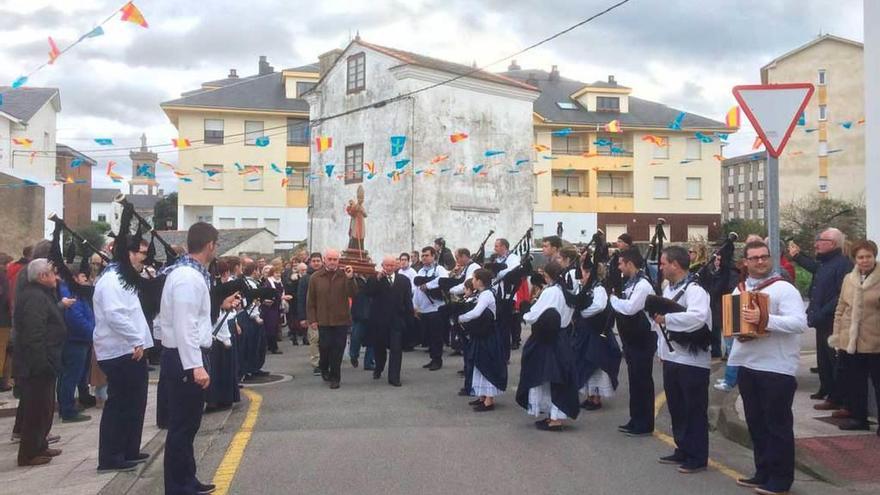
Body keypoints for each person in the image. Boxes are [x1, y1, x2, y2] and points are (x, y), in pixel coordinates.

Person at [159, 222, 236, 495]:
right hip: (185, 359)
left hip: (187, 356)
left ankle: (187, 479)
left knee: (190, 424)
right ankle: (178, 486)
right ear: (211, 245)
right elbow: (184, 325)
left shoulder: (190, 274)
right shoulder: (187, 278)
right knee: (182, 426)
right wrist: (196, 366)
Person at [728, 241, 807, 495]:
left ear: (770, 259)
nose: (760, 262)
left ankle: (781, 480)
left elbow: (799, 323)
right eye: (754, 258)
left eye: (764, 257)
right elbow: (736, 325)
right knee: (756, 424)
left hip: (777, 367)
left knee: (777, 426)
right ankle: (763, 472)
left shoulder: (784, 289)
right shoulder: (739, 289)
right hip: (748, 363)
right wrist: (737, 332)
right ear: (745, 263)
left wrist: (765, 319)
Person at [93, 240, 154, 472]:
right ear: (127, 254)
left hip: (130, 349)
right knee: (119, 404)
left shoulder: (123, 277)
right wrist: (135, 340)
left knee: (134, 403)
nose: (144, 259)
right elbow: (114, 315)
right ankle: (110, 457)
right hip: (120, 351)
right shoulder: (112, 280)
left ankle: (129, 448)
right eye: (141, 253)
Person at [653, 246, 712, 474]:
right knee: (677, 407)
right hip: (672, 357)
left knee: (693, 409)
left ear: (675, 265)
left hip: (692, 360)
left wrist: (668, 319)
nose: (661, 267)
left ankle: (697, 456)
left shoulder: (695, 290)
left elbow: (697, 318)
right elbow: (660, 323)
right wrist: (662, 351)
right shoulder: (668, 288)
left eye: (663, 263)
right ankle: (683, 448)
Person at [13, 259, 71, 466]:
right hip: (36, 366)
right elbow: (33, 334)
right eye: (52, 273)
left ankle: (40, 445)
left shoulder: (42, 294)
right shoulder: (34, 298)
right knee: (35, 410)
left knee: (45, 409)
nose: (56, 277)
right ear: (42, 277)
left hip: (46, 362)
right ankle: (28, 453)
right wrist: (42, 364)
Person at [788, 228, 852, 410]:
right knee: (823, 359)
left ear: (832, 244)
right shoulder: (825, 263)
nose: (816, 243)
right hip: (821, 320)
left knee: (834, 361)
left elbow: (840, 294)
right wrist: (799, 256)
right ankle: (827, 390)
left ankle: (837, 397)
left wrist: (822, 312)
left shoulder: (843, 265)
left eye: (820, 240)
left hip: (832, 320)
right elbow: (814, 270)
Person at [516, 261, 580, 430]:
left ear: (548, 275)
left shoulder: (551, 291)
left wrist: (525, 313)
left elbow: (536, 313)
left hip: (548, 339)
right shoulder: (566, 290)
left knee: (549, 376)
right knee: (556, 377)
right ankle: (553, 415)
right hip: (562, 337)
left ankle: (556, 419)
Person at [829, 240, 880, 432]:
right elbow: (840, 308)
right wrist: (837, 335)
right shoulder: (848, 279)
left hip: (875, 341)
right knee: (855, 382)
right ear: (854, 259)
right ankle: (859, 418)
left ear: (874, 256)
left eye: (868, 256)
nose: (865, 260)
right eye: (860, 257)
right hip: (850, 341)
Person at [609, 247, 656, 437]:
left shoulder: (643, 285)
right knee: (634, 381)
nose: (619, 267)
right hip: (632, 337)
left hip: (643, 338)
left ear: (629, 263)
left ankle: (644, 423)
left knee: (643, 381)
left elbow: (629, 308)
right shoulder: (630, 283)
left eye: (621, 263)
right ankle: (635, 418)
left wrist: (612, 299)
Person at [572, 259, 620, 411]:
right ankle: (589, 395)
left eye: (586, 272)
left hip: (596, 332)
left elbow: (599, 306)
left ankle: (596, 398)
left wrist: (583, 313)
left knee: (595, 363)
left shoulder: (599, 288)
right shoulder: (588, 288)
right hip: (586, 331)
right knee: (585, 363)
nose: (583, 275)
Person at [306, 249, 358, 389]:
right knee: (325, 348)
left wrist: (350, 278)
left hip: (341, 320)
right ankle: (324, 367)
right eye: (330, 259)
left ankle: (335, 377)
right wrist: (312, 320)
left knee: (338, 349)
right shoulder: (315, 277)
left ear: (338, 261)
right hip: (323, 320)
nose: (332, 262)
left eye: (335, 259)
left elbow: (353, 293)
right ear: (324, 259)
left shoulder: (344, 275)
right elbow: (311, 301)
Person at [459, 268, 506, 411]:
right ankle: (482, 396)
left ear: (479, 281)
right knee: (479, 364)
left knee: (486, 364)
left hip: (488, 336)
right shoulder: (483, 293)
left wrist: (461, 318)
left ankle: (489, 400)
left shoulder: (486, 294)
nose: (472, 281)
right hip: (482, 335)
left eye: (473, 278)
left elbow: (477, 312)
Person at [362, 256, 414, 386]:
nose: (389, 268)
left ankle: (394, 377)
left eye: (392, 265)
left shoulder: (404, 280)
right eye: (387, 265)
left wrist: (410, 316)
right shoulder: (375, 279)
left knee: (396, 349)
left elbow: (408, 300)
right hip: (379, 321)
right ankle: (379, 368)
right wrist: (378, 279)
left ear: (396, 266)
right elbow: (368, 293)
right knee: (379, 348)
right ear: (382, 266)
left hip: (397, 320)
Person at [57, 273, 95, 423]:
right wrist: (91, 332)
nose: (86, 280)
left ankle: (68, 405)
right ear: (74, 277)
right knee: (70, 375)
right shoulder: (69, 292)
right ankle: (67, 409)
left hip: (80, 338)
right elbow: (75, 317)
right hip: (75, 339)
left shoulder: (73, 290)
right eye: (83, 277)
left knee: (73, 374)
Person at [413, 246, 449, 370]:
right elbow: (416, 290)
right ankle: (432, 358)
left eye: (427, 255)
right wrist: (415, 306)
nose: (424, 258)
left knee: (436, 336)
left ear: (433, 256)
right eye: (422, 256)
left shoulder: (439, 269)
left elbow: (443, 280)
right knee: (428, 336)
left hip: (436, 308)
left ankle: (437, 360)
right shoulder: (421, 272)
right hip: (424, 309)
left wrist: (428, 285)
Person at [238, 259, 268, 381]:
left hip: (252, 316)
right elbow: (252, 303)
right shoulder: (249, 284)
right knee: (252, 344)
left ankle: (254, 367)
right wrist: (256, 317)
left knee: (257, 344)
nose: (259, 272)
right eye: (257, 270)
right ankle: (249, 368)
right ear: (254, 271)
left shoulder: (253, 282)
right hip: (250, 318)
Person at [491, 239, 521, 356]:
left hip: (508, 296)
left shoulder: (513, 257)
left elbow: (512, 271)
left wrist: (499, 272)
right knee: (497, 326)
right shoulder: (496, 259)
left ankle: (505, 354)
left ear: (504, 247)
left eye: (497, 246)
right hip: (496, 295)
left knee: (504, 327)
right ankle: (497, 351)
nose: (495, 248)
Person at [297, 252, 323, 376]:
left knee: (326, 340)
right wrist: (303, 317)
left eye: (318, 260)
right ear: (310, 262)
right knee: (314, 339)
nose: (316, 263)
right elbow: (301, 298)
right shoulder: (305, 279)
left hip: (326, 314)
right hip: (311, 314)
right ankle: (316, 363)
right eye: (314, 261)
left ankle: (325, 361)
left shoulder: (326, 275)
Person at [348, 289, 375, 370]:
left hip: (373, 311)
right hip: (359, 312)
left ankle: (368, 362)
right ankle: (354, 355)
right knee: (356, 337)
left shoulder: (376, 279)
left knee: (372, 339)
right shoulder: (356, 280)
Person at [261, 266, 284, 355]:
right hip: (270, 308)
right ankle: (273, 347)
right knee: (271, 327)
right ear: (272, 274)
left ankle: (271, 345)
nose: (278, 274)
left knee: (274, 327)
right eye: (276, 273)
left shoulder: (279, 282)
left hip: (276, 307)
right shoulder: (268, 282)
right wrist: (281, 297)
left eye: (279, 273)